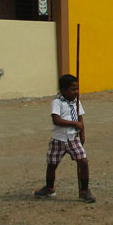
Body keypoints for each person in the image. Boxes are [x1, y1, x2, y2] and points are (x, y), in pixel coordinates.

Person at [35, 74, 94, 203]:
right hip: (59, 139)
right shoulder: (57, 102)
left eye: (77, 89)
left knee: (83, 162)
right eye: (73, 89)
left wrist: (82, 134)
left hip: (73, 138)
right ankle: (49, 187)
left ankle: (84, 190)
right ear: (63, 89)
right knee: (52, 164)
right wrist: (74, 124)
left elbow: (80, 119)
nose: (76, 92)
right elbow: (56, 120)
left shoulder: (77, 102)